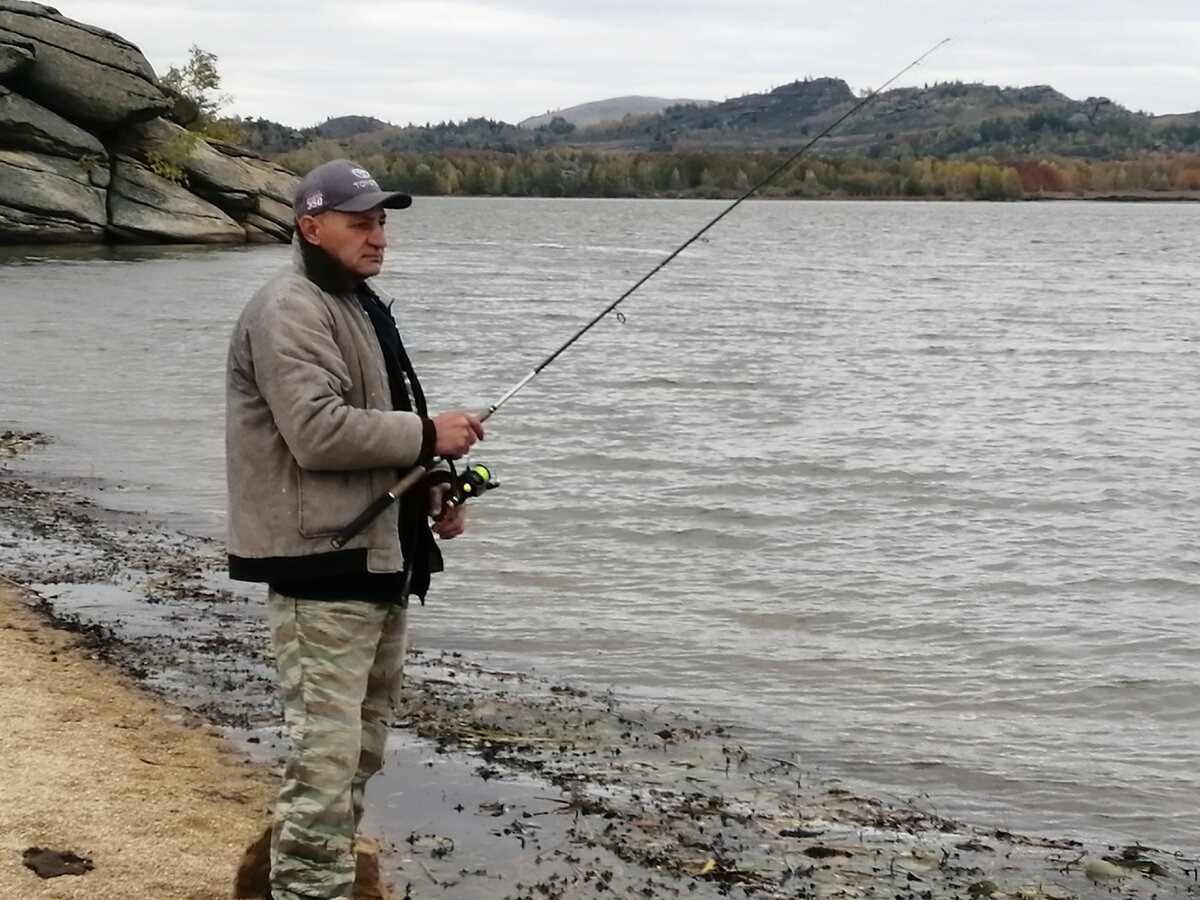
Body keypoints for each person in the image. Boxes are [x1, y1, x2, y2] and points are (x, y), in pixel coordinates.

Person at [225, 158, 484, 900]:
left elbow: (381, 422)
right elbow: (316, 433)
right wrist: (431, 434)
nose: (379, 237)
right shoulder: (290, 307)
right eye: (360, 222)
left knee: (358, 753)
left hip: (377, 561)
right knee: (327, 759)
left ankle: (275, 882)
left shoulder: (357, 304)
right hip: (320, 566)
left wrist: (435, 483)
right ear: (312, 227)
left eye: (381, 222)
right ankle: (308, 889)